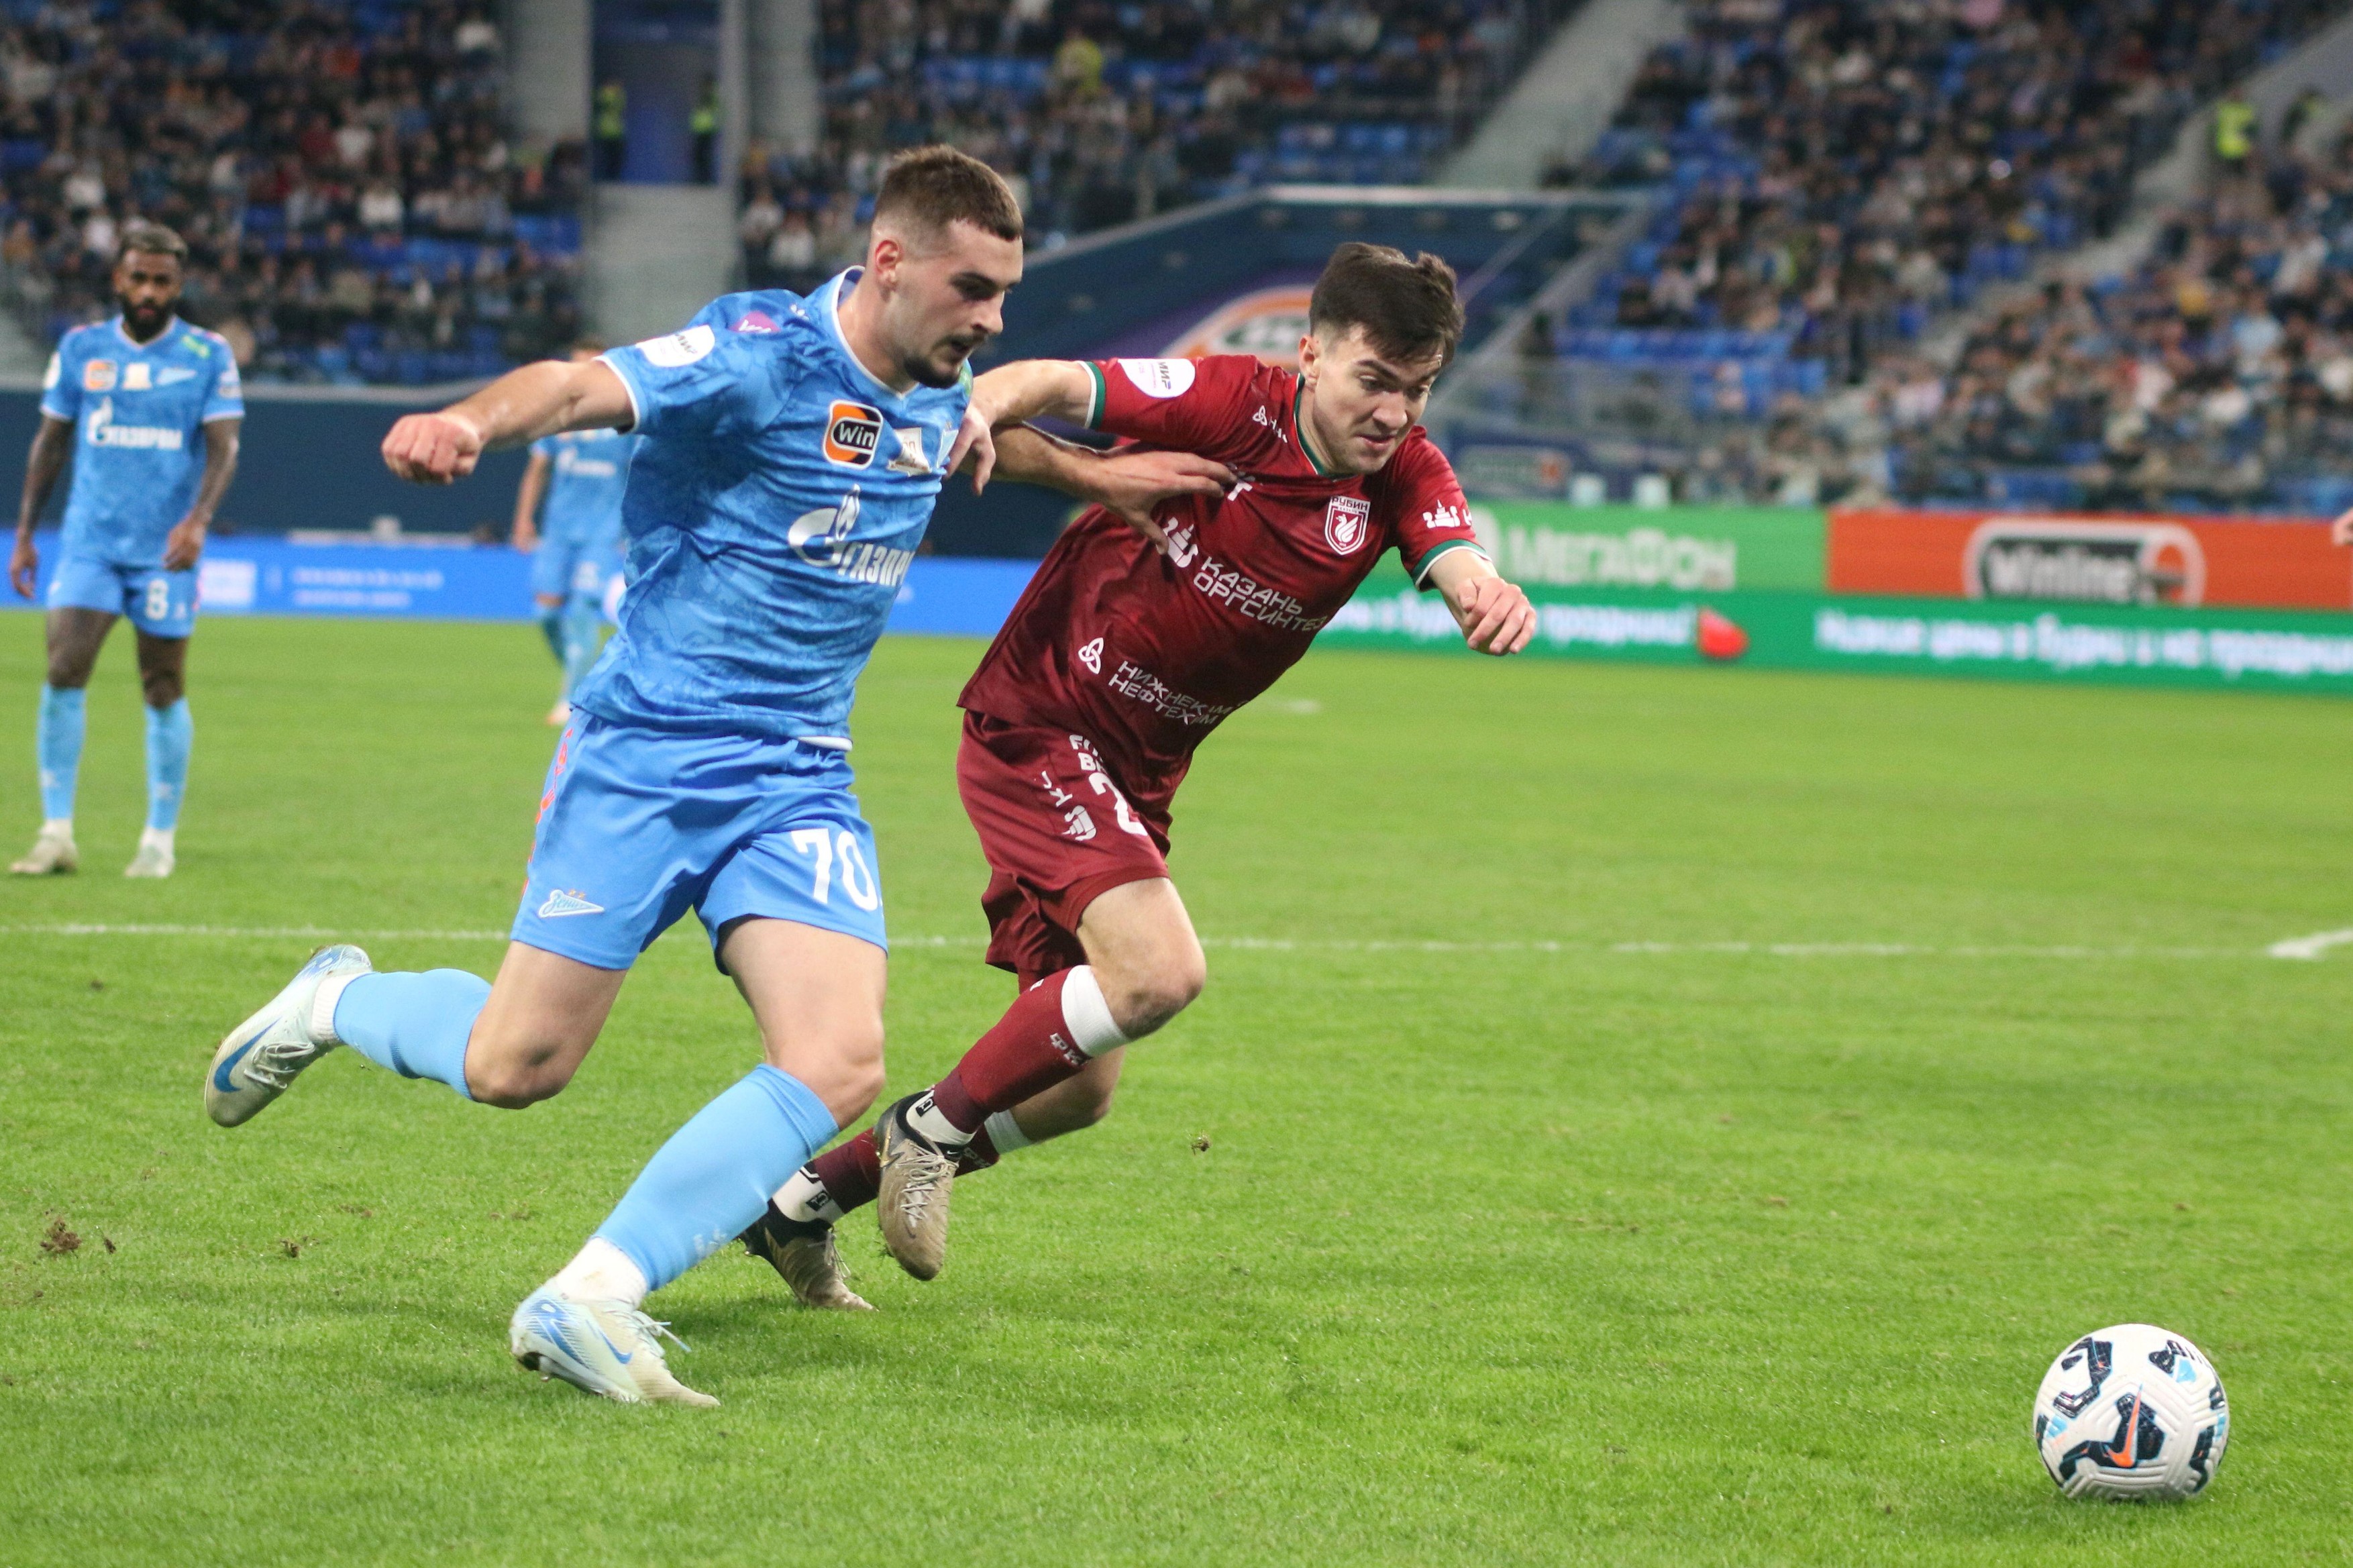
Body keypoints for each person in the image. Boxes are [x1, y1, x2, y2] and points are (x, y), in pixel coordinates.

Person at [199, 146, 1228, 1406]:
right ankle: (335, 1000)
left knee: (842, 1055)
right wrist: (473, 420)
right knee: (513, 1067)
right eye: (972, 287)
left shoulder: (931, 385)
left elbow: (963, 451)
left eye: (1005, 293)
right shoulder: (756, 356)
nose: (994, 319)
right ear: (890, 261)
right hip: (645, 754)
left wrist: (1098, 474)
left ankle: (588, 1298)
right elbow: (583, 386)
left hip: (796, 776)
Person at [741, 242, 1536, 1299]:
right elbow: (1059, 383)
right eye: (1373, 381)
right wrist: (978, 408)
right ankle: (924, 1133)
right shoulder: (1231, 404)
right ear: (1310, 354)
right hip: (1041, 720)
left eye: (1417, 388)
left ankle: (798, 1208)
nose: (1393, 412)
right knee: (1160, 973)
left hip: (1134, 778)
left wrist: (1479, 589)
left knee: (1075, 1090)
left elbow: (1452, 549)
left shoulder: (1403, 476)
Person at [9, 221, 242, 880]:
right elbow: (51, 442)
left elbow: (224, 445)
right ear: (118, 278)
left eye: (162, 280)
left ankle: (158, 841)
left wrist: (199, 520)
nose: (148, 290)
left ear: (179, 284)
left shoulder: (206, 355)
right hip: (90, 545)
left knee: (163, 683)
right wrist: (26, 534)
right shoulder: (82, 348)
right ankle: (56, 833)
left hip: (163, 552)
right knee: (63, 669)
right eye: (138, 277)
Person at [509, 339, 641, 725]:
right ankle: (578, 675)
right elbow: (537, 471)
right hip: (559, 531)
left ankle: (572, 698)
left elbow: (640, 474)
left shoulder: (624, 424)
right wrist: (523, 519)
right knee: (546, 614)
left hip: (601, 533)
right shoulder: (557, 419)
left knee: (583, 608)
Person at [593, 80, 627, 181]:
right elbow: (606, 103)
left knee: (616, 158)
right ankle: (606, 178)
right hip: (606, 132)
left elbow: (622, 105)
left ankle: (613, 178)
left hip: (617, 132)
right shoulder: (604, 94)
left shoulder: (619, 94)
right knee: (607, 158)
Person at [690, 77, 719, 186]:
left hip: (707, 130)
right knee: (699, 157)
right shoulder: (704, 97)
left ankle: (705, 180)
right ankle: (700, 179)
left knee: (705, 157)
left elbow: (714, 113)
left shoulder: (711, 98)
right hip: (700, 130)